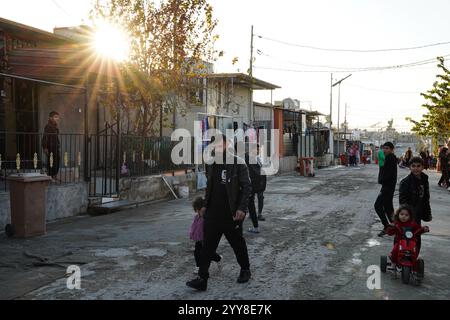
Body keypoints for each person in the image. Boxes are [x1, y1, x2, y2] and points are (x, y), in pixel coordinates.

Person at [186, 135, 252, 291]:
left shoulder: (238, 163)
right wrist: (204, 206)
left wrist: (242, 208)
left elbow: (247, 188)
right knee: (207, 247)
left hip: (231, 214)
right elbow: (210, 187)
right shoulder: (212, 164)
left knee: (237, 244)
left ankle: (245, 269)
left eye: (219, 144)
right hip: (212, 214)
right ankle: (202, 278)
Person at [399, 157, 432, 253]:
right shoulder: (405, 182)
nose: (416, 168)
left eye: (418, 166)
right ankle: (398, 256)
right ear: (409, 167)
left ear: (422, 167)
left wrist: (427, 213)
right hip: (407, 214)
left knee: (417, 235)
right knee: (403, 235)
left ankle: (414, 257)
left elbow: (426, 197)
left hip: (419, 212)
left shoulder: (424, 179)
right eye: (413, 166)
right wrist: (405, 214)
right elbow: (402, 200)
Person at [385, 206, 430, 270]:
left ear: (410, 216)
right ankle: (394, 262)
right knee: (395, 250)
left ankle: (414, 265)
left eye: (406, 215)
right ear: (398, 215)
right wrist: (391, 228)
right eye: (402, 214)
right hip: (400, 242)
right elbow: (390, 233)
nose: (404, 216)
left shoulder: (412, 224)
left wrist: (423, 229)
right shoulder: (396, 224)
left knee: (415, 251)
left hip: (411, 242)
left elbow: (419, 230)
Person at [190, 197, 223, 275]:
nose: (198, 212)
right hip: (199, 239)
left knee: (208, 253)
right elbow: (194, 227)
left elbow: (212, 228)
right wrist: (192, 234)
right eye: (197, 210)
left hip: (206, 239)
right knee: (197, 252)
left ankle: (219, 259)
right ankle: (198, 267)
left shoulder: (208, 217)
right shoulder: (197, 217)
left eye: (199, 210)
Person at [374, 142, 397, 237]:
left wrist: (382, 180)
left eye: (387, 148)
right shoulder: (389, 158)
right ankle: (396, 227)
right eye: (384, 148)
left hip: (388, 186)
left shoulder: (390, 158)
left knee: (377, 205)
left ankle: (386, 226)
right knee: (388, 208)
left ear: (392, 149)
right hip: (388, 186)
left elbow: (388, 174)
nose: (385, 150)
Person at [246, 146, 263, 234]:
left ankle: (255, 226)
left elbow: (257, 174)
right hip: (252, 186)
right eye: (255, 149)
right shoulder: (251, 159)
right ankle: (255, 225)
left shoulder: (251, 159)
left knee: (249, 205)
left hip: (251, 187)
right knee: (249, 205)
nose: (257, 151)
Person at [42, 111, 61, 181]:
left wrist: (58, 144)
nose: (57, 118)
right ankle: (50, 177)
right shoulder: (48, 126)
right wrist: (45, 147)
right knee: (51, 162)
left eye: (58, 117)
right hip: (50, 147)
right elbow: (45, 137)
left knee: (57, 161)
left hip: (55, 147)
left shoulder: (55, 126)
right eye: (55, 117)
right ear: (50, 118)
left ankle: (54, 176)